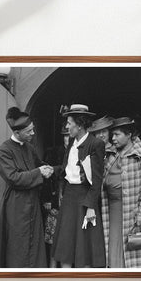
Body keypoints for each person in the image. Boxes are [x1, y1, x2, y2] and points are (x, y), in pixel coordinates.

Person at [0, 107, 53, 268]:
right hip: (16, 205)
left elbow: (40, 166)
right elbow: (13, 178)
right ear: (17, 133)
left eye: (32, 129)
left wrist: (52, 169)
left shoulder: (29, 148)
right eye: (29, 131)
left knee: (34, 244)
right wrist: (39, 172)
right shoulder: (3, 151)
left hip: (33, 203)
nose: (33, 134)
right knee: (17, 246)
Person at [52, 104, 106, 268]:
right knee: (65, 246)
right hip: (69, 198)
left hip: (85, 200)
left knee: (85, 248)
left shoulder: (95, 144)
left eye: (69, 123)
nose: (67, 126)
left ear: (80, 124)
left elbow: (97, 180)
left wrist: (90, 206)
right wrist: (50, 170)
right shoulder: (71, 143)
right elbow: (67, 169)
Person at [101, 117, 141, 268]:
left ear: (129, 135)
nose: (113, 139)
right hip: (112, 210)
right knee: (113, 244)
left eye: (117, 135)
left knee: (134, 251)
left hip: (133, 213)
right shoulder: (110, 155)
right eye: (112, 135)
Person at [41, 126, 70, 267]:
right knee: (53, 237)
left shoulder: (79, 152)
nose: (68, 139)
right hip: (54, 200)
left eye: (70, 136)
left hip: (70, 200)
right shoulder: (53, 153)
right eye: (65, 136)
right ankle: (52, 269)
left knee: (68, 239)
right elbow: (46, 177)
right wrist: (47, 198)